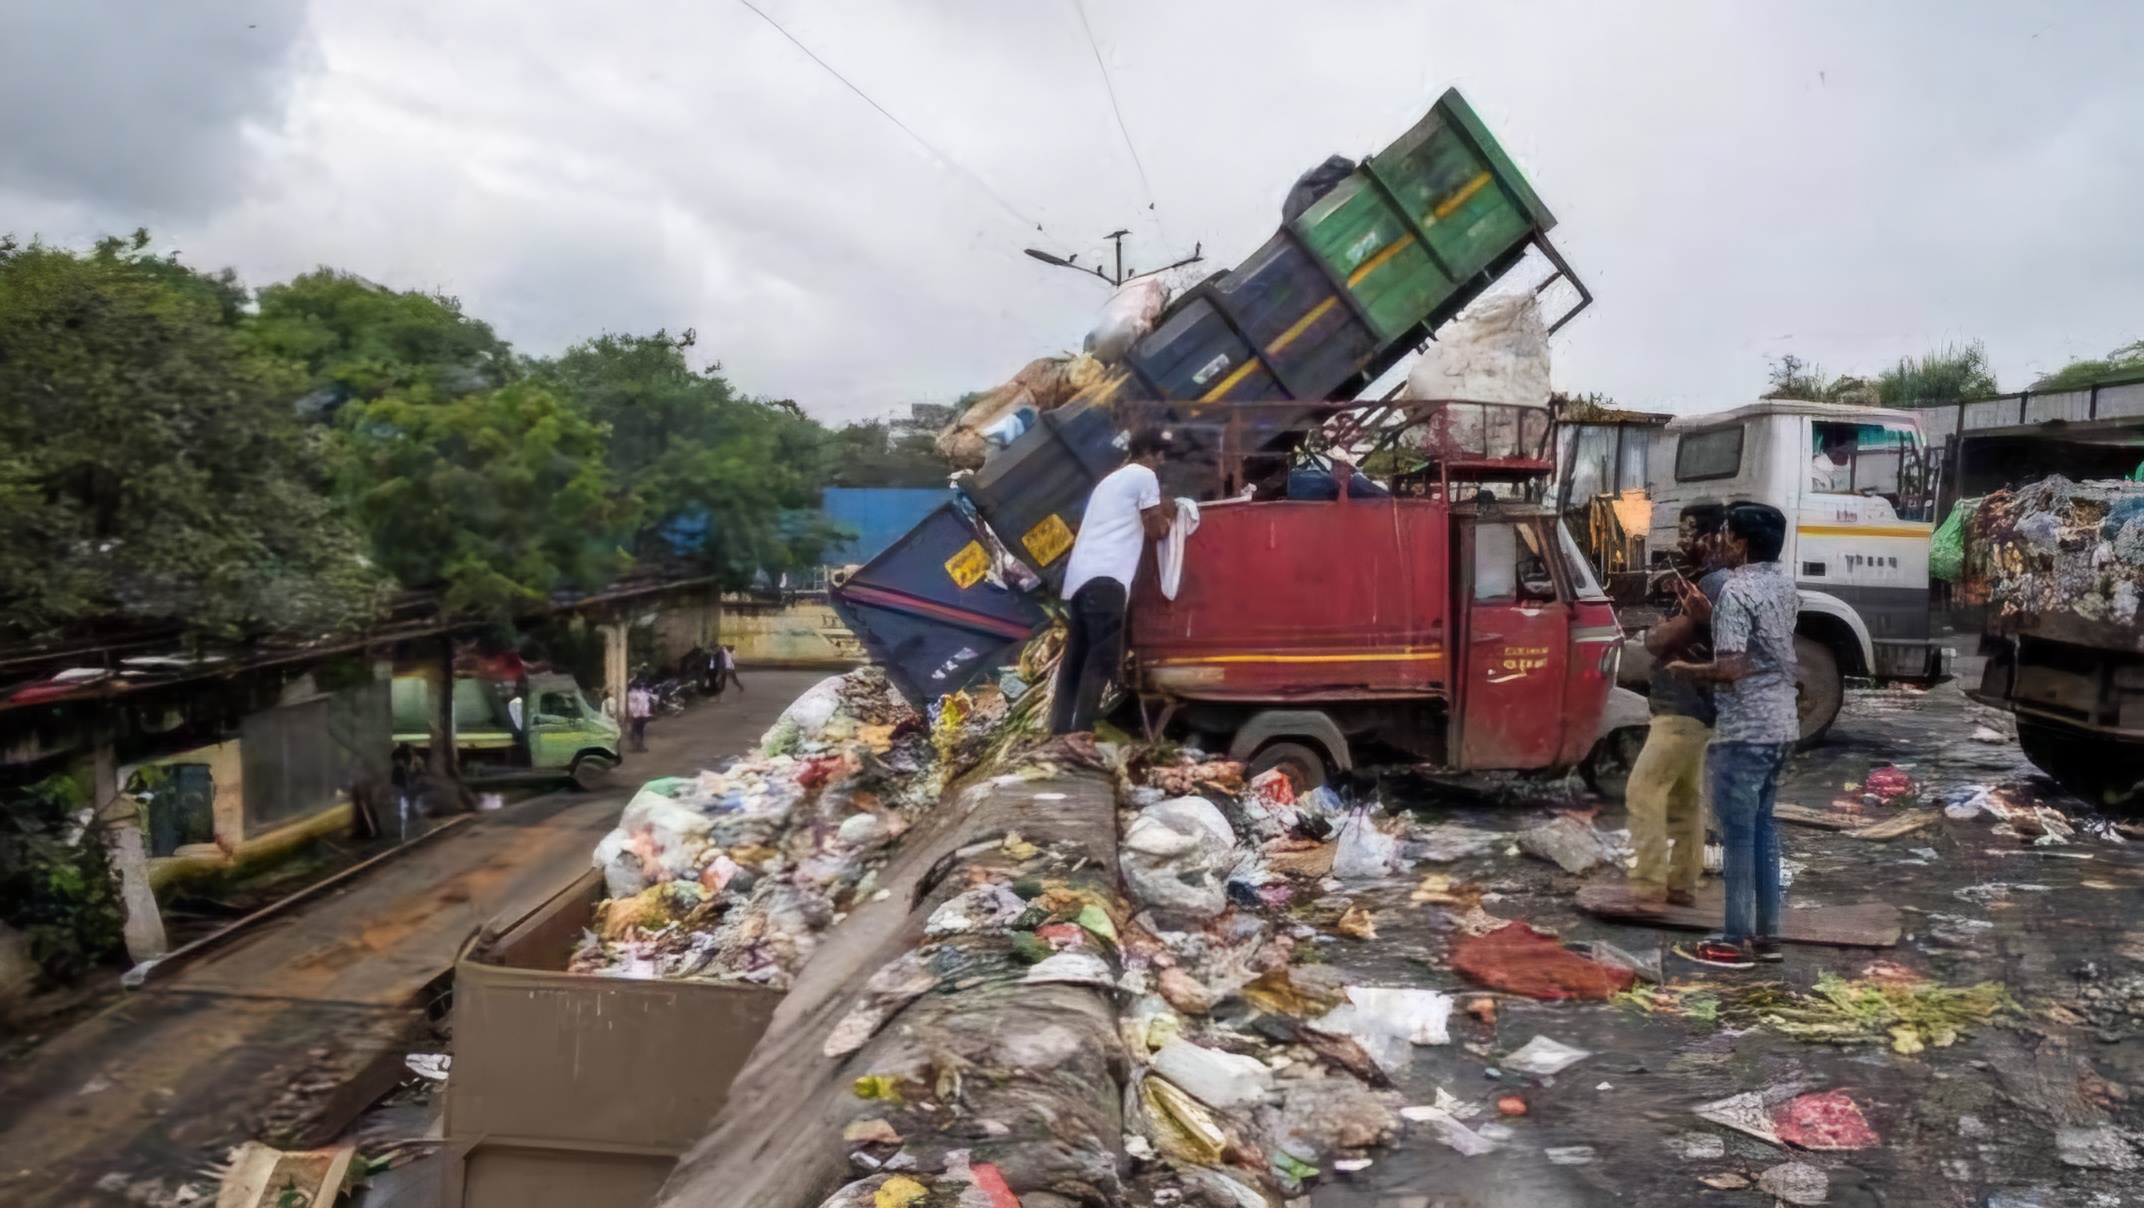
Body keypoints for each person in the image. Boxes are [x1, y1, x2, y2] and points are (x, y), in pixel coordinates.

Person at [1665, 502, 1800, 968]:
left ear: (1742, 542)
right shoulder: (1783, 585)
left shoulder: (1737, 593)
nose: (1717, 541)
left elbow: (1732, 668)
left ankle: (1734, 940)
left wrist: (1688, 670)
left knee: (1738, 837)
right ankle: (1768, 936)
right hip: (1782, 725)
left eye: (1725, 533)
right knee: (1763, 831)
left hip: (1745, 729)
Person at [1625, 501, 1730, 907]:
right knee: (1685, 800)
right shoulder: (1706, 580)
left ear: (1712, 536)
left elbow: (1661, 640)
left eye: (1688, 533)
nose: (1682, 541)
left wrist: (1654, 635)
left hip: (1684, 706)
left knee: (1643, 791)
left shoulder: (1713, 584)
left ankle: (1648, 885)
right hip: (1693, 707)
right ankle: (1681, 885)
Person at [1049, 429, 1177, 735]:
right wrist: (1172, 516)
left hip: (1080, 579)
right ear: (1149, 452)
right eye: (1160, 456)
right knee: (1102, 660)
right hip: (1108, 578)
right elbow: (1156, 530)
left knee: (1077, 658)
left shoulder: (1109, 480)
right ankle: (1082, 732)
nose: (1161, 463)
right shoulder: (1144, 477)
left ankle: (1060, 730)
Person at [626, 679, 654, 753]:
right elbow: (631, 705)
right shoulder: (632, 693)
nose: (641, 686)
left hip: (642, 714)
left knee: (641, 731)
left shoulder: (644, 693)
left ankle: (640, 746)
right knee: (634, 731)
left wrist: (646, 713)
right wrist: (633, 713)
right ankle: (633, 746)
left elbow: (646, 703)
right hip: (635, 715)